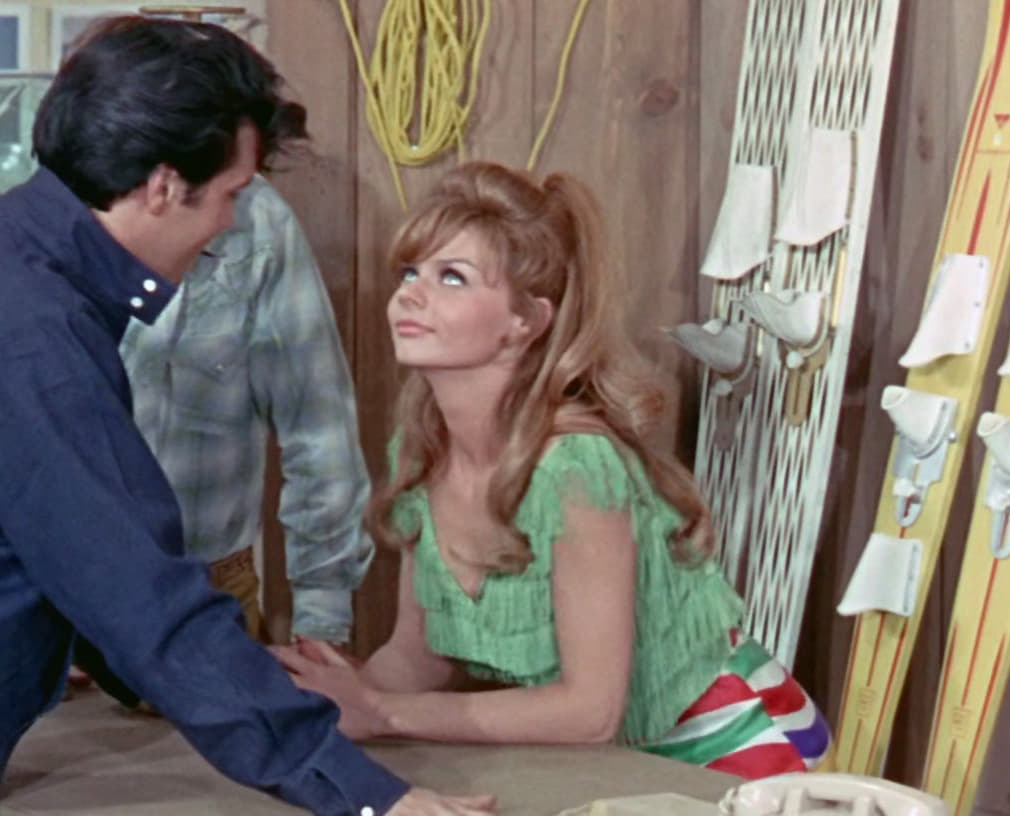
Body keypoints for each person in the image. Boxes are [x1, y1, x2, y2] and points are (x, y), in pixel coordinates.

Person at [0, 17, 493, 816]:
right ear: (162, 186)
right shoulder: (25, 335)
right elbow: (137, 590)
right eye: (230, 196)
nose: (228, 225)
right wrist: (372, 800)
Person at [273, 161, 830, 779]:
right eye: (410, 272)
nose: (410, 294)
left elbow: (590, 713)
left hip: (725, 746)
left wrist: (382, 712)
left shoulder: (575, 467)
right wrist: (322, 704)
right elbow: (418, 655)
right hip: (601, 765)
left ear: (528, 321)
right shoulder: (422, 448)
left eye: (452, 277)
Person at [120, 173, 373, 646]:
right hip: (65, 588)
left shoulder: (254, 215)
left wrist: (321, 623)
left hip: (210, 588)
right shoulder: (61, 204)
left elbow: (318, 425)